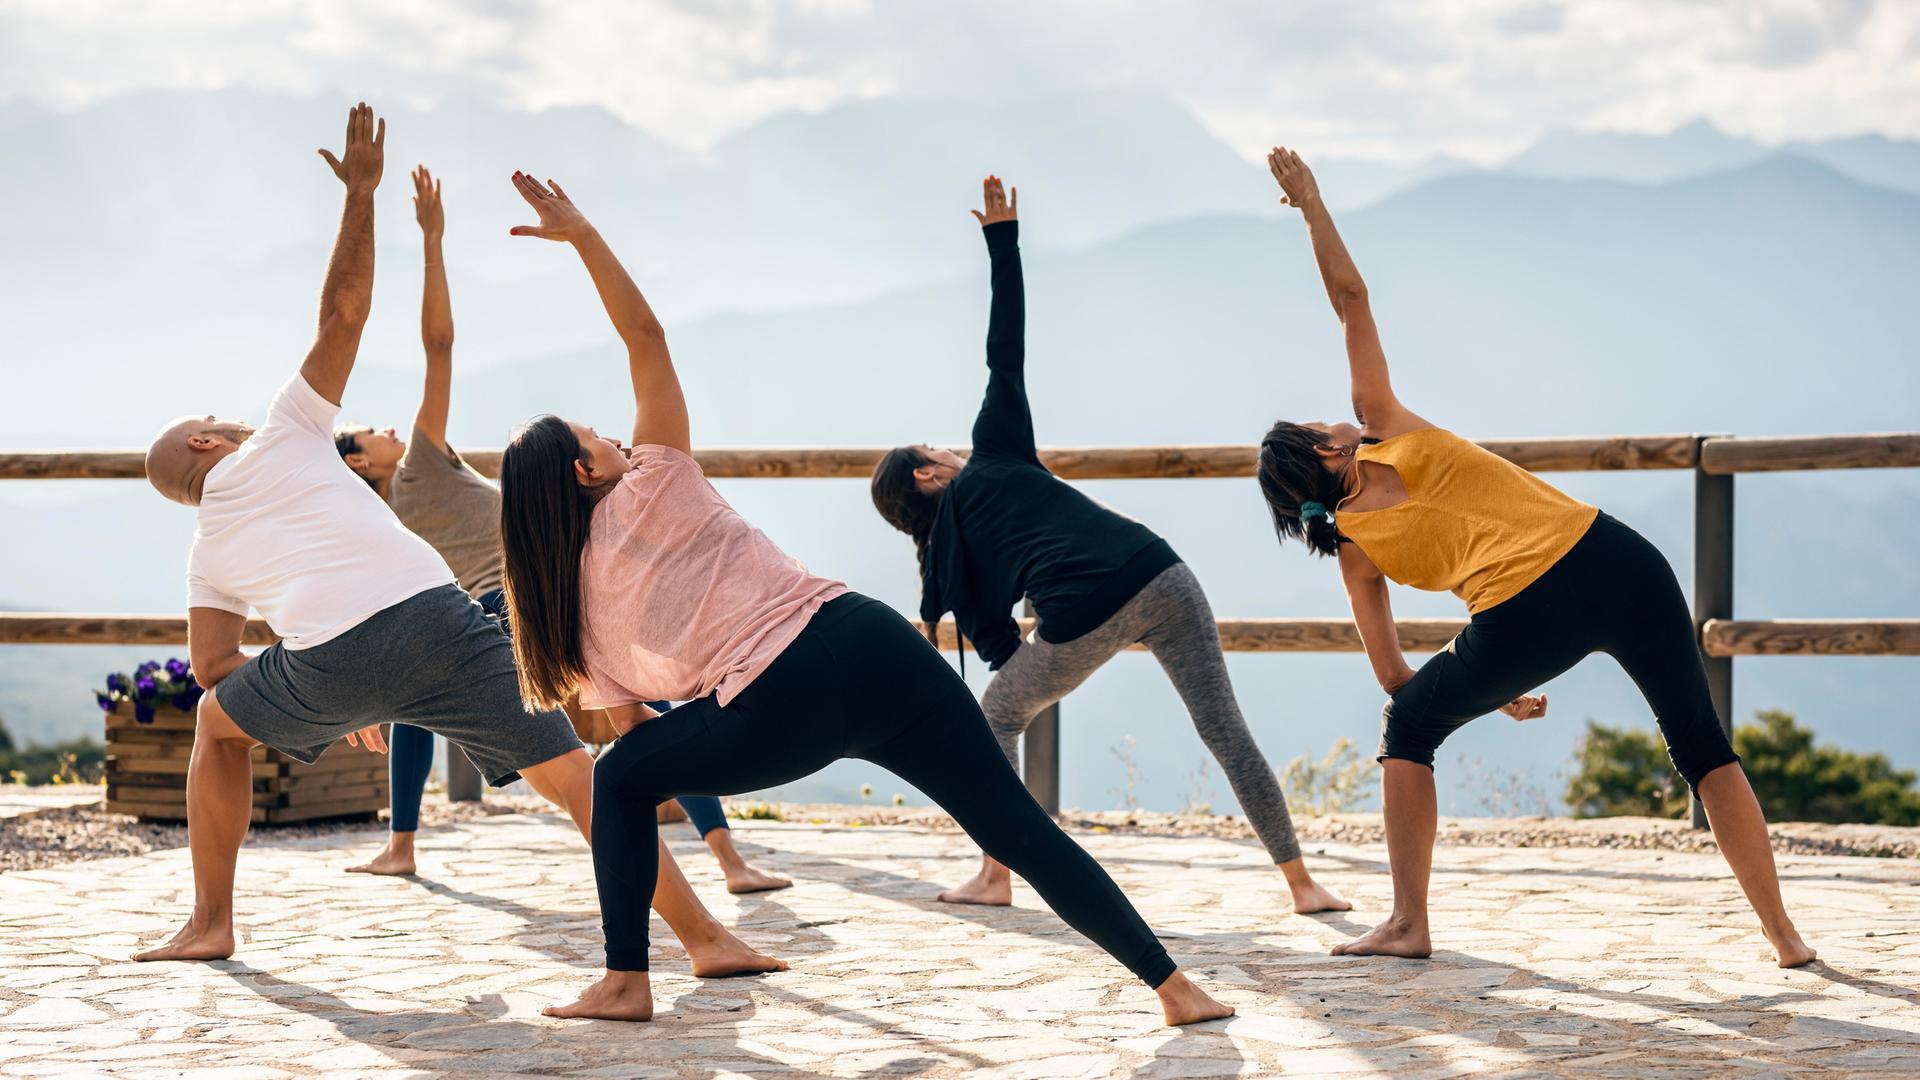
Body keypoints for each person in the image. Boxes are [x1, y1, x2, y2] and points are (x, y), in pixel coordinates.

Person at [494, 169, 1234, 1026]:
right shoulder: (657, 479)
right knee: (1016, 829)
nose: (615, 434)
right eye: (597, 435)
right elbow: (646, 335)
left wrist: (711, 767)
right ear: (584, 472)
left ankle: (627, 982)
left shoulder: (561, 614)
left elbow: (637, 740)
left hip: (772, 713)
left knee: (618, 779)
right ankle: (1176, 989)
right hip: (872, 647)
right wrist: (584, 235)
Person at [131, 104, 784, 981]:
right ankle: (706, 939)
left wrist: (330, 690)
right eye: (209, 418)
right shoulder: (288, 432)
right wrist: (361, 195)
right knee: (577, 779)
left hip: (332, 661)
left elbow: (214, 670)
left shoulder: (206, 551)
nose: (225, 414)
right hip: (445, 620)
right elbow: (345, 315)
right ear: (205, 446)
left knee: (217, 728)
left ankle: (211, 922)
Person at [1253, 146, 1816, 968]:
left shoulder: (1355, 555)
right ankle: (1784, 935)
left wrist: (1489, 683)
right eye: (1317, 424)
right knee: (1702, 746)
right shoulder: (1384, 422)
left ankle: (1409, 922)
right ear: (1324, 448)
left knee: (1409, 726)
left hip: (1526, 619)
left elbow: (1396, 682)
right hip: (1618, 557)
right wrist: (1312, 206)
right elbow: (1351, 299)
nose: (1331, 419)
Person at [868, 177, 1348, 914]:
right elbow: (1005, 351)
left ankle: (996, 876)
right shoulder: (996, 451)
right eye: (934, 449)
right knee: (1224, 728)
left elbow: (995, 644)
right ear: (929, 474)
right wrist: (1004, 239)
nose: (948, 449)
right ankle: (1303, 885)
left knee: (998, 714)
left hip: (1083, 610)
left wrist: (1038, 658)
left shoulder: (946, 560)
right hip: (1161, 569)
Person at [333, 163, 789, 895]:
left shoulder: (375, 516)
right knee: (648, 705)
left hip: (491, 614)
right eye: (371, 432)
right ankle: (727, 861)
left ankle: (403, 844)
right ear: (358, 459)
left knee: (421, 701)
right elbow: (440, 347)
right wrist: (432, 241)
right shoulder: (415, 468)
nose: (390, 429)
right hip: (519, 602)